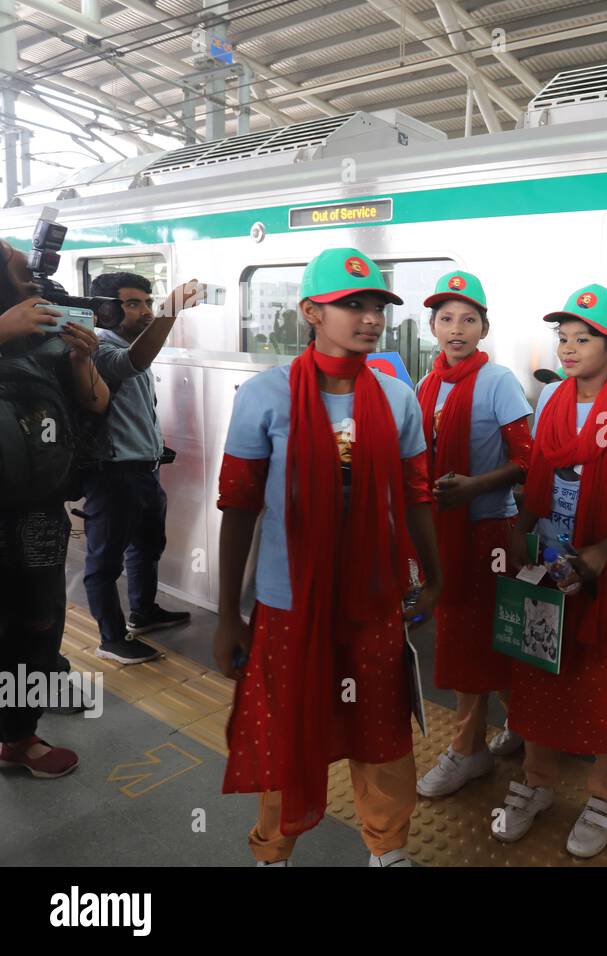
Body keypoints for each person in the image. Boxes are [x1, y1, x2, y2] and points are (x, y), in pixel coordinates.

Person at [213, 248, 442, 867]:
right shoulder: (266, 396)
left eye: (376, 306)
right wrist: (227, 614)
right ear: (311, 312)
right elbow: (238, 508)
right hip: (289, 602)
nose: (369, 318)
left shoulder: (396, 399)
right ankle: (273, 850)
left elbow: (417, 497)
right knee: (288, 733)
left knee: (383, 732)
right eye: (352, 305)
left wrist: (435, 574)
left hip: (373, 600)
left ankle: (387, 849)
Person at [495, 283, 607, 859]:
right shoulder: (550, 400)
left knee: (604, 684)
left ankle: (604, 797)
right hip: (550, 568)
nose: (569, 349)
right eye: (563, 338)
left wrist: (602, 551)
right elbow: (540, 479)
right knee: (540, 676)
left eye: (584, 339)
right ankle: (535, 782)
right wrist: (519, 528)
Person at [412, 271, 533, 797]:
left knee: (479, 638)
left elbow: (527, 460)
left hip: (487, 532)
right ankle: (525, 724)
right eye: (445, 318)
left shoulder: (498, 381)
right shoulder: (427, 383)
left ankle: (467, 750)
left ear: (484, 327)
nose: (456, 328)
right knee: (469, 636)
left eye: (468, 318)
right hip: (443, 531)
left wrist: (474, 486)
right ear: (432, 327)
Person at [0, 239, 109, 778]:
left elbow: (96, 403)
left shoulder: (44, 346)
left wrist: (81, 357)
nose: (36, 285)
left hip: (38, 516)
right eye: (23, 277)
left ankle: (21, 736)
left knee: (40, 627)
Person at [82, 272, 195, 664]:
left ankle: (143, 613)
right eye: (133, 304)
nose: (145, 312)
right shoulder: (98, 347)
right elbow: (133, 362)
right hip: (114, 472)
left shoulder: (130, 345)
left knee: (147, 546)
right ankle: (110, 638)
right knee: (105, 558)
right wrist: (172, 310)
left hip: (144, 469)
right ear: (105, 310)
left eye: (149, 303)